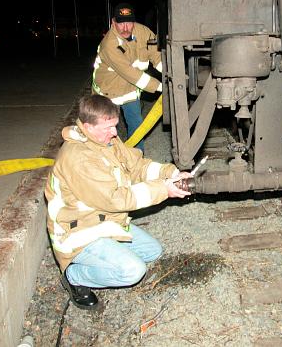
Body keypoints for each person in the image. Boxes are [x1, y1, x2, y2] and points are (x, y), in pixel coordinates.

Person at [45, 94, 191, 310]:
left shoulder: (105, 140)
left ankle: (110, 254)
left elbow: (137, 165)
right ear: (87, 126)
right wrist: (163, 189)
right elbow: (115, 199)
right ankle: (73, 276)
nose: (114, 133)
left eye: (115, 126)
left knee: (152, 251)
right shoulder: (78, 158)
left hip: (103, 221)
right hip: (78, 232)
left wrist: (172, 173)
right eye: (108, 128)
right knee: (133, 271)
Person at [92, 2, 163, 152]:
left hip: (129, 89)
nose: (125, 28)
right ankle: (107, 160)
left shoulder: (144, 32)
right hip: (107, 93)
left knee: (137, 125)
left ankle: (137, 158)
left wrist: (170, 74)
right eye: (121, 23)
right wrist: (161, 86)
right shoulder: (109, 44)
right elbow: (130, 73)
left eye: (129, 23)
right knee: (106, 130)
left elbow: (156, 55)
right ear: (113, 22)